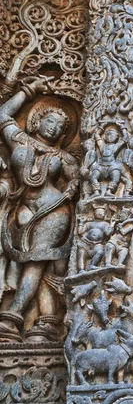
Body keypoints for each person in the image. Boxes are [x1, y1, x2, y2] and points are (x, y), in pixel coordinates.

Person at [0, 76, 79, 342]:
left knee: (36, 263)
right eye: (50, 121)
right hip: (21, 210)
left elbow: (79, 178)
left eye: (60, 126)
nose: (54, 128)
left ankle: (12, 316)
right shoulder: (19, 141)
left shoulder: (62, 157)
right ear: (37, 121)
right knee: (28, 264)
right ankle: (46, 318)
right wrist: (29, 91)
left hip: (53, 210)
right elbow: (2, 115)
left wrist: (73, 186)